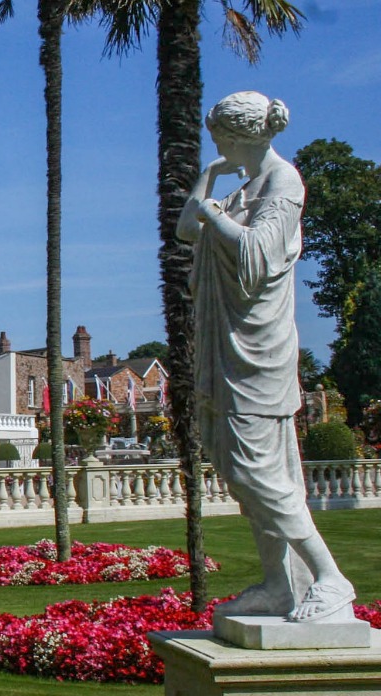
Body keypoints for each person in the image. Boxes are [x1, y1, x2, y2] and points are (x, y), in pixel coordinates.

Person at [177, 91, 355, 623]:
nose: (216, 145)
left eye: (217, 138)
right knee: (235, 467)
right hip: (227, 344)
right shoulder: (242, 186)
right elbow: (189, 230)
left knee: (259, 473)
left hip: (258, 351)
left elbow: (257, 254)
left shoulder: (284, 182)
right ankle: (281, 585)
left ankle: (330, 578)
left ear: (237, 137)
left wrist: (214, 212)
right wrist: (208, 182)